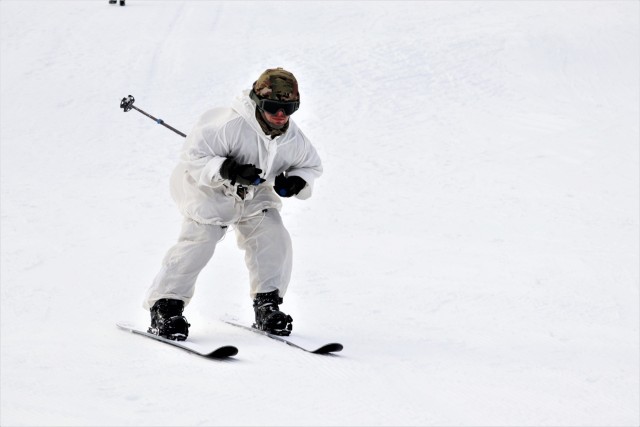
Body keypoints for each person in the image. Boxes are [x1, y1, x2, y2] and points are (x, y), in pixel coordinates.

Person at [142, 67, 323, 341]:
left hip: (254, 193)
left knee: (274, 236)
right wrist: (226, 168)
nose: (281, 115)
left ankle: (267, 304)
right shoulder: (230, 125)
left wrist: (298, 181)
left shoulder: (291, 137)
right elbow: (191, 155)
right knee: (201, 240)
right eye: (273, 106)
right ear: (258, 102)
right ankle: (165, 306)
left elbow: (311, 165)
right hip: (206, 189)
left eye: (289, 108)